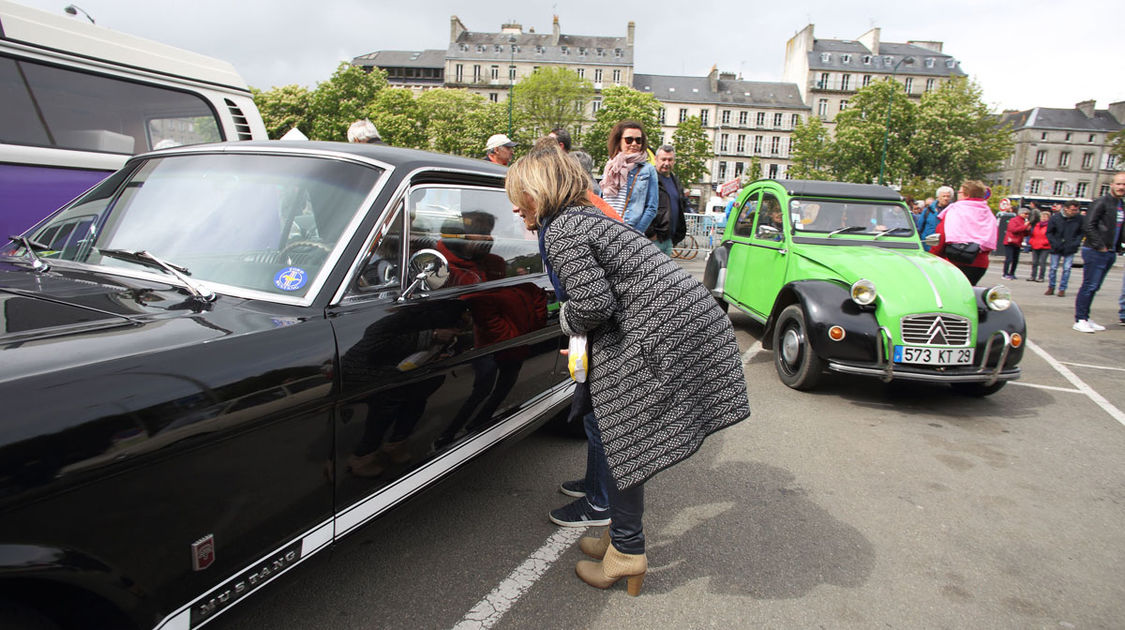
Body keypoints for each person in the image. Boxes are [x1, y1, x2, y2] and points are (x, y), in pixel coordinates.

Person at [506, 142, 749, 595]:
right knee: (614, 432)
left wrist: (563, 320)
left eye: (521, 201)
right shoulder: (587, 217)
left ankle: (627, 552)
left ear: (541, 191)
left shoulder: (562, 230)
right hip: (680, 322)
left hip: (659, 333)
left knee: (624, 440)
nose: (519, 212)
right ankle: (621, 535)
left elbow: (593, 305)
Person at [1074, 172, 1125, 332]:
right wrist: (1100, 246)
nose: (1121, 187)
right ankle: (1080, 319)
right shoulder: (1101, 202)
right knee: (1089, 285)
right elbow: (1088, 225)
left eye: (1124, 185)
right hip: (1096, 251)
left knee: (1095, 287)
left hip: (1110, 251)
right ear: (1111, 185)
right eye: (1118, 184)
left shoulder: (1120, 204)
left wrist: (1118, 247)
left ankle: (1086, 317)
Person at [929, 180, 998, 285]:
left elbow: (941, 236)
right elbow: (990, 239)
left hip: (954, 260)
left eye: (959, 192)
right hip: (979, 263)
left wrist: (932, 256)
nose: (958, 195)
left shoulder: (955, 210)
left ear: (967, 194)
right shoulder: (988, 212)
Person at [600, 120, 659, 232]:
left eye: (638, 140)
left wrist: (635, 233)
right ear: (619, 141)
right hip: (606, 229)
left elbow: (651, 208)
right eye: (629, 140)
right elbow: (603, 200)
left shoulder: (647, 169)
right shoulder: (610, 166)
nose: (634, 144)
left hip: (628, 229)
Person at [646, 145, 689, 255]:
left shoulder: (675, 181)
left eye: (670, 160)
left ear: (674, 161)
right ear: (656, 159)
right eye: (663, 159)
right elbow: (642, 206)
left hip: (668, 239)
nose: (666, 163)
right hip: (654, 240)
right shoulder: (649, 179)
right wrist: (650, 233)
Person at [1045, 200, 1084, 297]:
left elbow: (1081, 233)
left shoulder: (1080, 219)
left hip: (1070, 246)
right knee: (1053, 268)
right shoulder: (1056, 218)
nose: (1074, 212)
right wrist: (1054, 243)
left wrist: (1076, 243)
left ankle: (1062, 288)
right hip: (1057, 246)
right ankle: (1051, 286)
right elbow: (1049, 232)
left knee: (1067, 269)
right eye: (1072, 210)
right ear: (1066, 208)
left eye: (1076, 210)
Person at [1001, 207, 1030, 279]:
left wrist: (1027, 230)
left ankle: (1012, 273)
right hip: (1010, 242)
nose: (1027, 215)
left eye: (1028, 214)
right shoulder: (1014, 220)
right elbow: (1013, 230)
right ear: (1020, 213)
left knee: (1015, 259)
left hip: (1018, 242)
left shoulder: (1024, 221)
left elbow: (1025, 233)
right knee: (1009, 258)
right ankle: (1005, 273)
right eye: (1025, 214)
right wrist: (1024, 226)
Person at [1026, 210, 1051, 282]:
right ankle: (1033, 276)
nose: (1043, 218)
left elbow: (1051, 236)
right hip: (1035, 245)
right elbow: (1032, 234)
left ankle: (1041, 277)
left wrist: (1046, 242)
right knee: (1034, 262)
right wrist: (1031, 241)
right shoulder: (1037, 225)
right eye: (1042, 216)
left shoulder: (1049, 226)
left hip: (1045, 246)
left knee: (1042, 262)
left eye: (1045, 217)